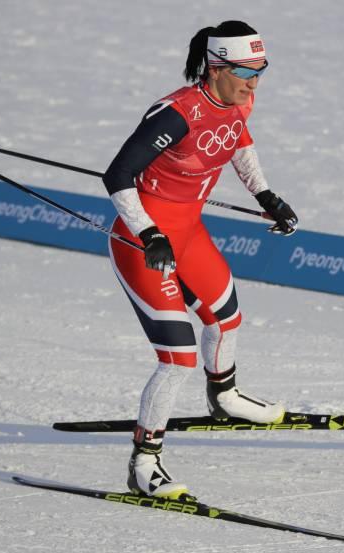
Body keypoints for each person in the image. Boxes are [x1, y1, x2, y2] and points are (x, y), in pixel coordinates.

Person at [101, 20, 299, 500]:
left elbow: (239, 142)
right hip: (143, 244)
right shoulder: (177, 114)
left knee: (227, 317)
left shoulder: (237, 100)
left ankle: (225, 397)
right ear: (216, 68)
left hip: (189, 235)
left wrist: (266, 195)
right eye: (245, 71)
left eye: (260, 70)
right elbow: (118, 173)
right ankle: (144, 464)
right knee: (177, 360)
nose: (254, 82)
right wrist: (148, 232)